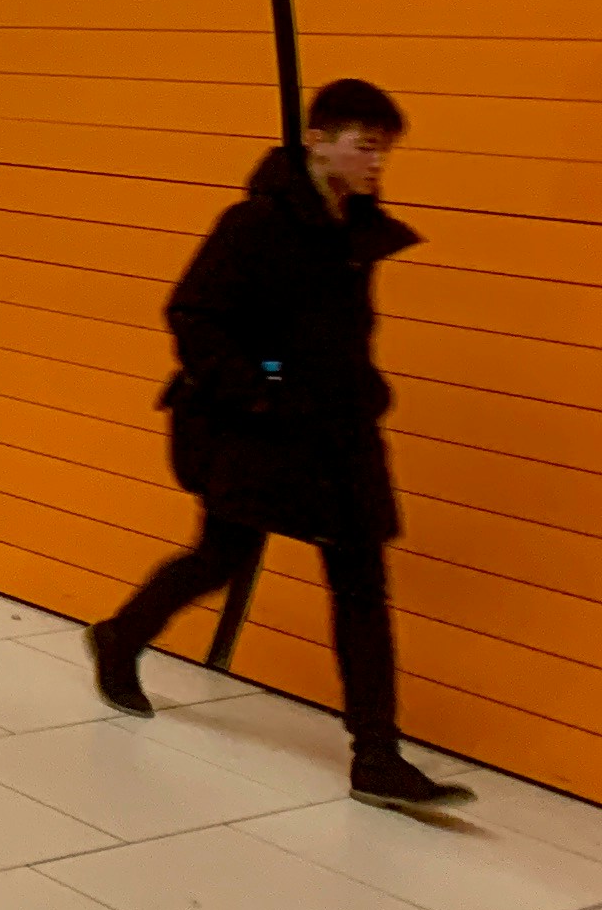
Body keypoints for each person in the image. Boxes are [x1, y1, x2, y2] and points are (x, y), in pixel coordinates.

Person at [89, 77, 472, 812]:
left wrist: (364, 389)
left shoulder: (354, 230)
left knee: (362, 585)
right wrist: (259, 393)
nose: (377, 164)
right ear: (316, 140)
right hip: (259, 429)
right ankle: (119, 637)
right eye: (366, 146)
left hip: (339, 432)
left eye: (385, 152)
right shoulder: (254, 224)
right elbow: (192, 314)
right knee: (221, 557)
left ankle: (377, 756)